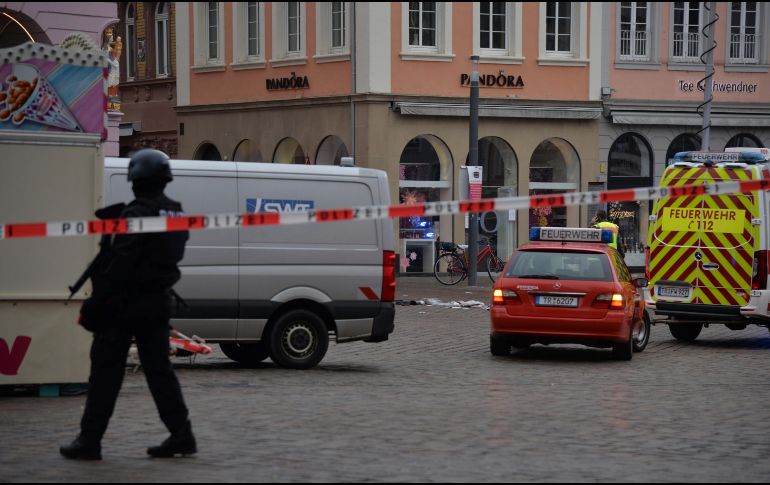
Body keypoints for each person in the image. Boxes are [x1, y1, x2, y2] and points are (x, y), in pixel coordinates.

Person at [60, 149, 196, 460]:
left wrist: (97, 304)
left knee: (106, 373)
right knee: (160, 372)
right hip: (158, 302)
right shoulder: (175, 212)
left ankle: (89, 440)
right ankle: (181, 433)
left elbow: (120, 264)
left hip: (124, 305)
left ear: (136, 180)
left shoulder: (136, 215)